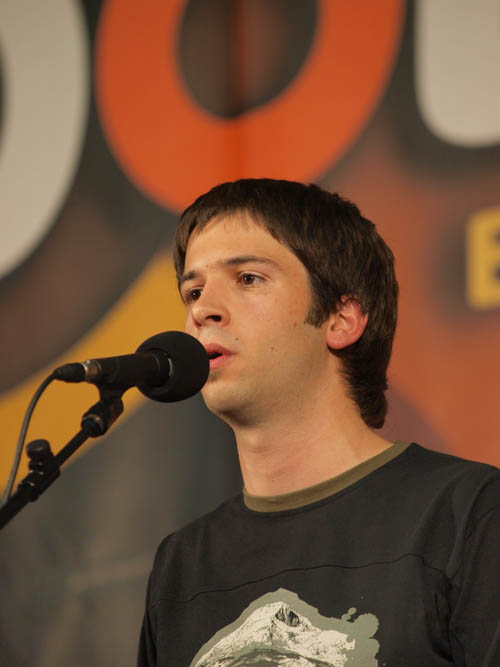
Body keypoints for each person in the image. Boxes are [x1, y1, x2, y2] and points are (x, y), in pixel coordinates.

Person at [138, 179, 500, 666]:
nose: (203, 310)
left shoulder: (468, 514)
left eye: (248, 278)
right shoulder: (181, 564)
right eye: (194, 290)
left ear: (341, 319)